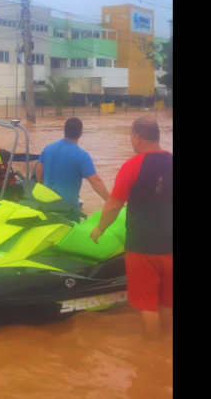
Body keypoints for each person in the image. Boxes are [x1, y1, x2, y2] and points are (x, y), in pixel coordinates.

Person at [91, 117, 172, 339]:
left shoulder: (132, 166)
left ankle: (153, 353)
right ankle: (167, 352)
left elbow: (114, 205)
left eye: (130, 137)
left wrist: (100, 228)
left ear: (137, 137)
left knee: (147, 304)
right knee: (167, 300)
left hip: (142, 246)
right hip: (171, 245)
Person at [35, 117, 110, 211]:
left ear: (64, 131)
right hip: (68, 209)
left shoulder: (48, 148)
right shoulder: (82, 156)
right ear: (81, 133)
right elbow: (95, 181)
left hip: (47, 205)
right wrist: (110, 201)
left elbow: (38, 171)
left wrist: (43, 190)